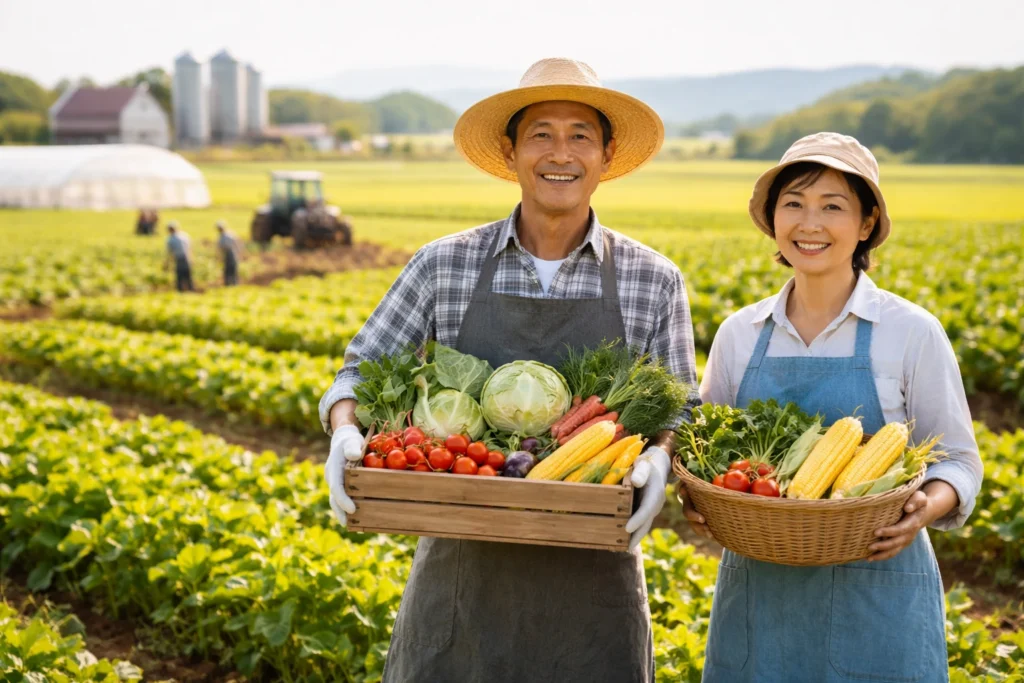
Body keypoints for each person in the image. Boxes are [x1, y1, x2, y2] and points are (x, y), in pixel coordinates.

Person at [319, 58, 700, 682]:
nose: (561, 153)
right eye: (541, 134)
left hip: (593, 581)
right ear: (511, 150)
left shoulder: (652, 278)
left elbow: (679, 406)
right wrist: (343, 428)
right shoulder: (444, 264)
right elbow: (359, 371)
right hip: (462, 575)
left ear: (605, 155)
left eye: (580, 135)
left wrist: (659, 455)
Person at [683, 132, 983, 683]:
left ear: (866, 223)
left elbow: (959, 463)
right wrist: (698, 497)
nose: (810, 223)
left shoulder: (910, 332)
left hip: (877, 588)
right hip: (761, 596)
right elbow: (702, 458)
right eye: (793, 203)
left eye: (833, 206)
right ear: (773, 218)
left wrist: (926, 507)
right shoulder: (740, 334)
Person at [164, 221, 194, 292]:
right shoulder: (184, 236)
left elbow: (169, 252)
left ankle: (181, 291)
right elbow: (190, 248)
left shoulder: (171, 239)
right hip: (187, 258)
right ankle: (190, 289)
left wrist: (167, 263)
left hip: (179, 259)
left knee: (179, 276)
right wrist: (191, 258)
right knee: (188, 275)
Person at [216, 220, 242, 286]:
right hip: (226, 255)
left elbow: (237, 243)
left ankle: (234, 284)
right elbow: (220, 249)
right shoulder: (221, 237)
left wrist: (239, 253)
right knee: (227, 271)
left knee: (232, 269)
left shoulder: (229, 234)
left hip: (231, 253)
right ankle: (228, 284)